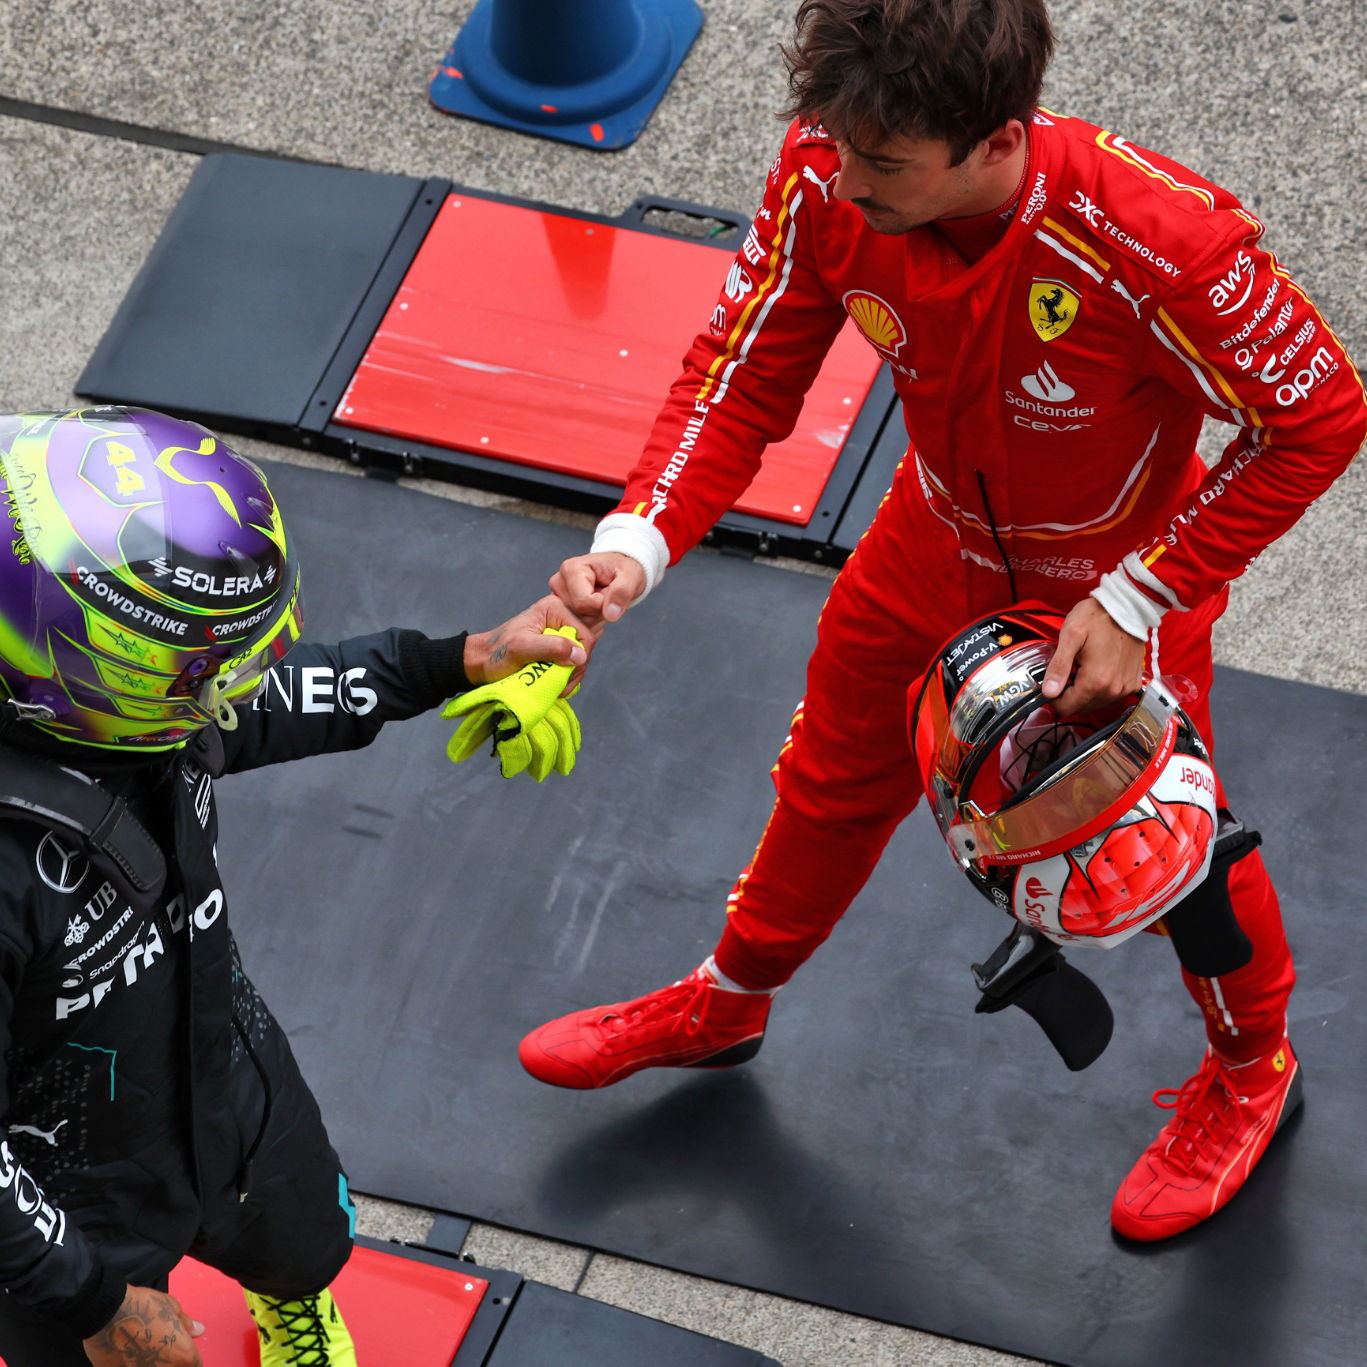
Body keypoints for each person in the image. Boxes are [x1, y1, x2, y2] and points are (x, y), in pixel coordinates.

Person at [518, 0, 1366, 1240]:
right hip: (926, 551)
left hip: (1109, 598)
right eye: (838, 142)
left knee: (1167, 846)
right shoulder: (828, 175)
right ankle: (731, 997)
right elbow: (744, 370)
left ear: (995, 140)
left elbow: (1321, 415)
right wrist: (633, 543)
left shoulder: (1152, 239)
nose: (845, 181)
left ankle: (1251, 1069)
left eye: (884, 164)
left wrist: (1142, 594)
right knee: (826, 775)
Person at [0, 407, 590, 1365]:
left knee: (302, 1234)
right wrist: (97, 1301)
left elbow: (274, 697)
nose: (224, 694)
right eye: (199, 673)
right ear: (98, 664)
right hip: (68, 1186)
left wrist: (458, 659)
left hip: (224, 1064)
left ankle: (290, 1301)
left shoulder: (136, 705)